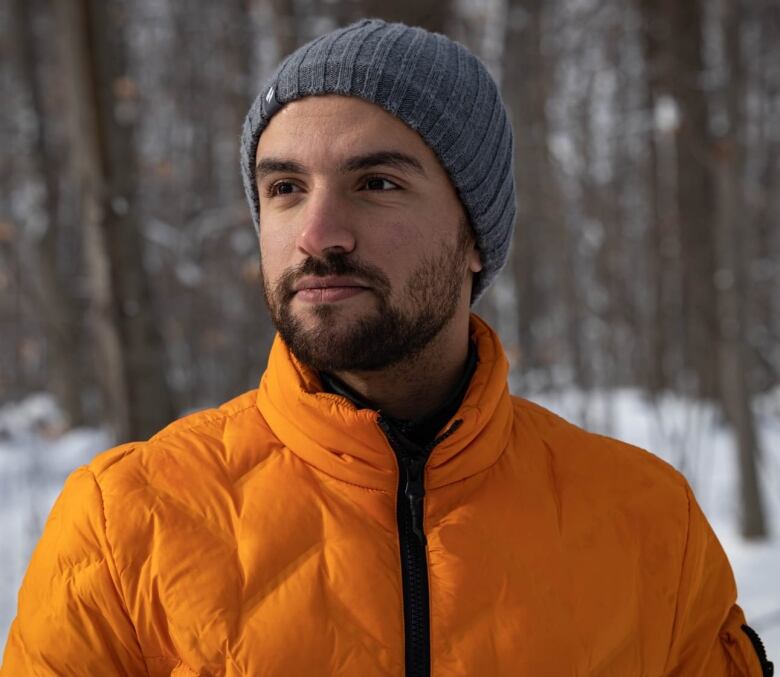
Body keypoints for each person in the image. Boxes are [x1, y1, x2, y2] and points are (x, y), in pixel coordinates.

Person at [1, 18, 773, 677]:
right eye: (285, 188)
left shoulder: (645, 523)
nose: (317, 235)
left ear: (473, 233)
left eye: (376, 184)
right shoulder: (124, 524)